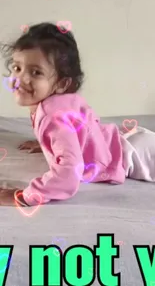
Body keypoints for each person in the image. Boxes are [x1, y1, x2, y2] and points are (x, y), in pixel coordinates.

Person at [0, 22, 155, 207]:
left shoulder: (53, 115)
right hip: (131, 142)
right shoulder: (55, 105)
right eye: (17, 68)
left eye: (36, 72)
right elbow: (73, 131)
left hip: (135, 155)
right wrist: (51, 144)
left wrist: (25, 196)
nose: (22, 78)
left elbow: (69, 172)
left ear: (62, 84)